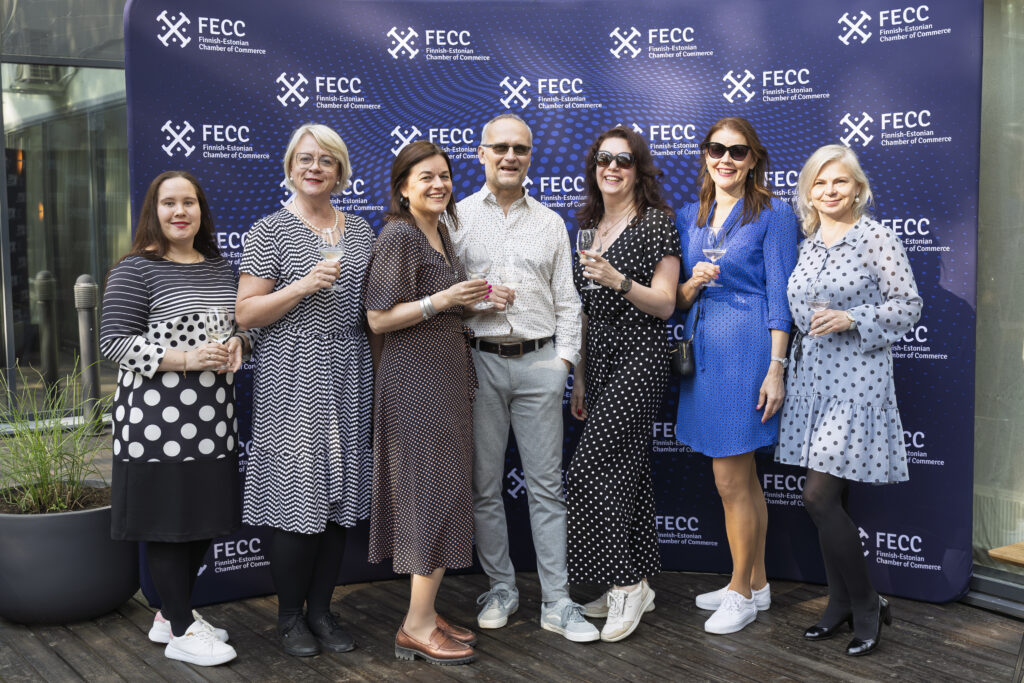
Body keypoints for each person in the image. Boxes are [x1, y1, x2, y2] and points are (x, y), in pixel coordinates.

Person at [451, 113, 597, 642]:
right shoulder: (455, 218)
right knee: (484, 486)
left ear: (530, 156)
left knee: (546, 488)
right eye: (501, 148)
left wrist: (563, 364)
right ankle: (501, 588)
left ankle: (557, 601)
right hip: (478, 362)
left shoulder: (551, 223)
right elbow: (443, 300)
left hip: (540, 364)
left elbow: (569, 303)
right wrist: (477, 303)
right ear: (481, 153)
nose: (510, 156)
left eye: (520, 149)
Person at [236, 124, 376, 657]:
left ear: (340, 171)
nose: (314, 168)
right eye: (305, 159)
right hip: (293, 371)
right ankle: (290, 618)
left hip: (350, 370)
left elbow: (372, 310)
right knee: (299, 499)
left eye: (326, 160)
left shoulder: (360, 230)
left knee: (340, 501)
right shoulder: (268, 231)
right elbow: (246, 313)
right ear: (290, 167)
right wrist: (301, 286)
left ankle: (321, 611)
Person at [776, 144, 921, 656]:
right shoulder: (808, 244)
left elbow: (909, 306)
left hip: (857, 381)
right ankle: (838, 603)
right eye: (819, 183)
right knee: (829, 502)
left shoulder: (876, 237)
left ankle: (867, 603)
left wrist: (853, 317)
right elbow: (799, 312)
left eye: (839, 181)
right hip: (811, 382)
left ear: (857, 188)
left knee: (817, 497)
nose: (829, 190)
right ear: (808, 192)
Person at [100, 170, 247, 667]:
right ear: (154, 211)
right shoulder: (136, 270)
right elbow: (113, 343)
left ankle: (168, 616)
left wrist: (238, 343)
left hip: (214, 421)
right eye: (169, 203)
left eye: (189, 202)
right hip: (154, 423)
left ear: (201, 210)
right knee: (167, 524)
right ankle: (183, 629)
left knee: (202, 520)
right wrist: (185, 358)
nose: (180, 212)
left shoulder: (221, 269)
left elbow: (242, 328)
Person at [364, 140, 489, 666]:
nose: (439, 185)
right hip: (415, 386)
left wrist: (477, 302)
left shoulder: (440, 232)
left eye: (444, 176)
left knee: (444, 492)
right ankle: (415, 626)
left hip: (447, 381)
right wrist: (444, 299)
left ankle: (427, 611)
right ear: (403, 189)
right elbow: (378, 318)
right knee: (429, 497)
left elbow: (440, 309)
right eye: (426, 178)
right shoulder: (399, 235)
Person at [674, 117, 799, 635]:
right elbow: (678, 300)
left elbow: (781, 297)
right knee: (743, 480)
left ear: (753, 160)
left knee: (730, 481)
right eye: (716, 149)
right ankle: (758, 583)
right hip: (703, 351)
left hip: (747, 352)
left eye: (738, 151)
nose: (725, 158)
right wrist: (692, 283)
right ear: (705, 155)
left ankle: (739, 592)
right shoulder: (690, 214)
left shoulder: (774, 213)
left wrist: (776, 367)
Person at [568, 126, 680, 642]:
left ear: (639, 170)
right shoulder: (588, 227)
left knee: (587, 471)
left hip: (640, 356)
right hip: (601, 361)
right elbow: (584, 311)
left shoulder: (656, 223)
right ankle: (638, 581)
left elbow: (666, 303)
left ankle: (626, 583)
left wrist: (618, 280)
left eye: (624, 160)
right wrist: (580, 377)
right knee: (627, 473)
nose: (612, 167)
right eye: (603, 158)